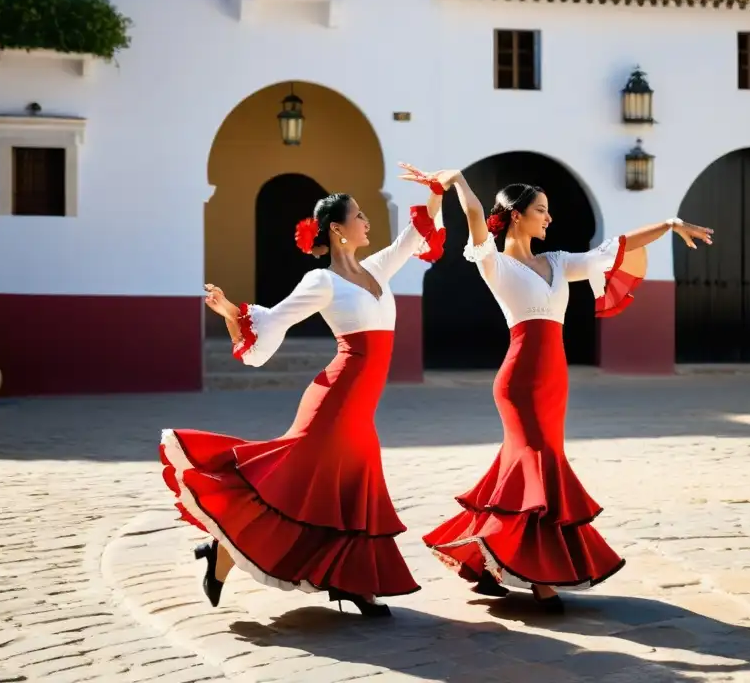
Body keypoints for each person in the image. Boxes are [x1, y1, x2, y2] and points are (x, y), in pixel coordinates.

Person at [401, 163, 713, 612]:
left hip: (555, 379)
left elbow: (615, 249)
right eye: (541, 210)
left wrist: (668, 225)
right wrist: (456, 181)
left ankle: (489, 565)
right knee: (536, 467)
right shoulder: (492, 260)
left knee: (525, 469)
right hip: (520, 379)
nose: (549, 218)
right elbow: (472, 214)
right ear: (515, 215)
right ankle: (540, 579)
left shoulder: (560, 263)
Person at [159, 180, 449, 618]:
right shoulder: (322, 280)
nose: (368, 222)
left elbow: (417, 234)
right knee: (294, 484)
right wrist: (232, 316)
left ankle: (349, 581)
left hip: (359, 407)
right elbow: (275, 321)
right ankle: (223, 551)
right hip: (332, 402)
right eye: (360, 216)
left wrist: (437, 188)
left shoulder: (377, 269)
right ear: (337, 229)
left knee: (350, 487)